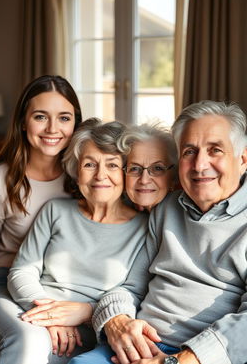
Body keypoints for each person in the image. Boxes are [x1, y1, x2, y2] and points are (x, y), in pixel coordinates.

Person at [70, 100, 247, 364]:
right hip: (138, 344)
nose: (200, 165)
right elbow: (132, 285)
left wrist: (181, 360)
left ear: (242, 159)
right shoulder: (167, 208)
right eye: (189, 151)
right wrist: (116, 319)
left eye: (215, 150)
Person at [4, 118, 152, 364]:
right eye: (89, 164)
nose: (100, 175)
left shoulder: (145, 228)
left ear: (126, 172)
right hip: (32, 309)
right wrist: (51, 317)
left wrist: (85, 314)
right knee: (29, 344)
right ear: (76, 170)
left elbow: (133, 293)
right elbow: (22, 271)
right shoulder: (56, 210)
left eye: (113, 165)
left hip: (93, 327)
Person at [0, 74, 82, 363]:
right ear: (22, 122)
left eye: (64, 118)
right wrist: (48, 313)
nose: (53, 129)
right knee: (30, 338)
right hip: (6, 285)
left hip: (68, 287)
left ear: (76, 124)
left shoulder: (86, 178)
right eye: (41, 117)